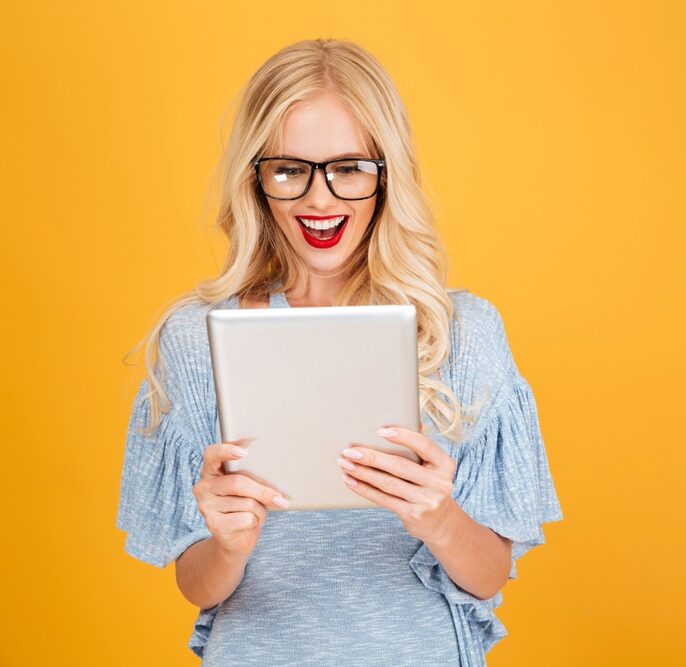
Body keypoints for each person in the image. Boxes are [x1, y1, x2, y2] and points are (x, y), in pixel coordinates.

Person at [115, 38, 563, 666]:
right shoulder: (196, 341)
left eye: (349, 167)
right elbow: (196, 585)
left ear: (387, 176)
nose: (319, 199)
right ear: (257, 178)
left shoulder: (464, 334)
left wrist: (438, 518)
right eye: (290, 169)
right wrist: (230, 544)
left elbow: (488, 577)